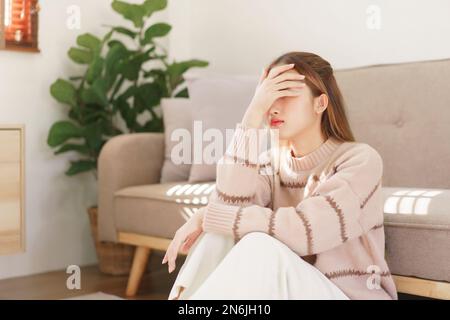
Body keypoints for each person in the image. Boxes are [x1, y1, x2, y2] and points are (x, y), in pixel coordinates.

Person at [162, 51, 398, 300]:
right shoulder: (270, 164)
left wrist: (205, 216)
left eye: (284, 93)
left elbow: (306, 231)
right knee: (218, 233)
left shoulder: (360, 160)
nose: (272, 107)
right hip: (287, 292)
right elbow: (228, 206)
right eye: (268, 96)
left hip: (347, 296)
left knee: (258, 244)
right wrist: (252, 116)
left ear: (320, 103)